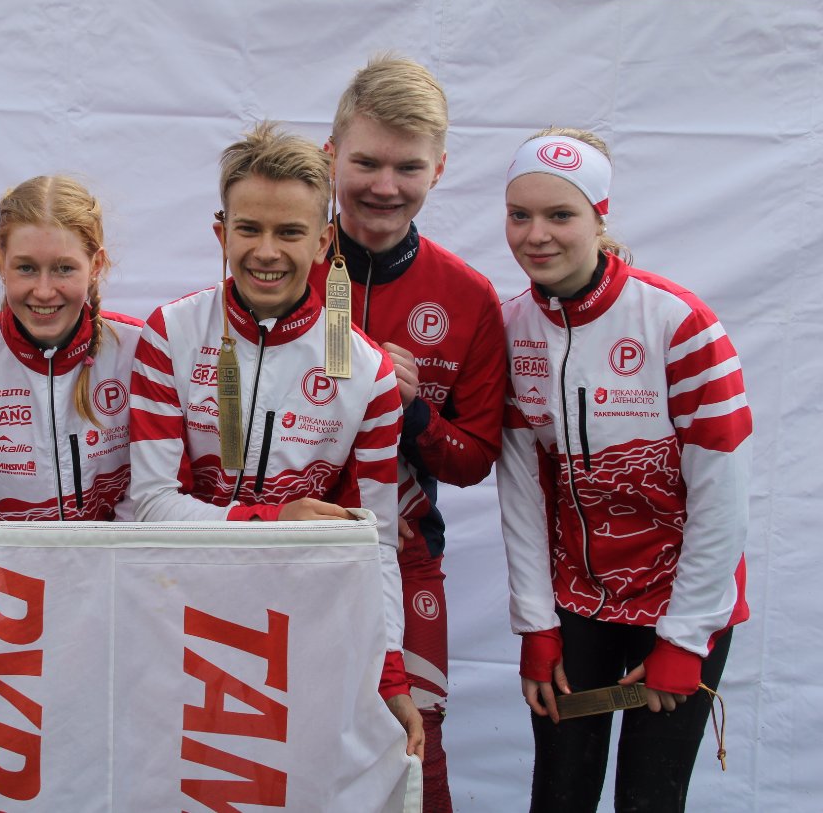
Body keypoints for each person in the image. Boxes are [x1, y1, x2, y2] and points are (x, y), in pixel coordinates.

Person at [130, 121, 424, 757]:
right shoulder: (170, 333)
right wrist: (274, 520)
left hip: (299, 617)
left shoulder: (367, 371)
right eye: (249, 229)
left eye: (289, 232)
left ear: (323, 242)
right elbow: (149, 505)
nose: (266, 251)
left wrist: (389, 673)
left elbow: (374, 539)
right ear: (222, 234)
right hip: (179, 604)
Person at [497, 127, 752, 812]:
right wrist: (535, 623)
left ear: (599, 216)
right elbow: (520, 490)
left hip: (678, 602)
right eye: (520, 214)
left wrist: (686, 638)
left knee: (649, 801)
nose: (536, 235)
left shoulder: (680, 324)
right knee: (558, 796)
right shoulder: (511, 327)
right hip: (574, 604)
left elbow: (723, 493)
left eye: (560, 215)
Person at [308, 54, 507, 808]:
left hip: (405, 553)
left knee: (416, 748)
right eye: (366, 162)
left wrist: (413, 410)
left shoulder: (468, 296)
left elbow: (474, 459)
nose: (385, 186)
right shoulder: (279, 260)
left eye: (408, 167)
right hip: (286, 545)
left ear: (440, 168)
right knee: (285, 742)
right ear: (331, 155)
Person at [0, 175, 141, 521]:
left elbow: (147, 494)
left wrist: (104, 555)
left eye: (64, 268)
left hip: (116, 553)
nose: (44, 291)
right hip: (4, 557)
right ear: (1, 261)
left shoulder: (139, 350)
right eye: (27, 268)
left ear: (95, 265)